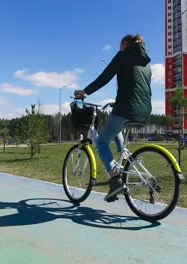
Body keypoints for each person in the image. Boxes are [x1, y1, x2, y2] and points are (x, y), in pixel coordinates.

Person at [74, 34, 152, 202]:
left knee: (101, 142)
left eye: (119, 46)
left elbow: (105, 76)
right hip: (144, 111)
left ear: (125, 44)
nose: (119, 49)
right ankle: (123, 158)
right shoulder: (146, 62)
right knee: (115, 124)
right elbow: (138, 88)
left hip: (126, 108)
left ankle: (114, 178)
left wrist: (84, 92)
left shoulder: (124, 55)